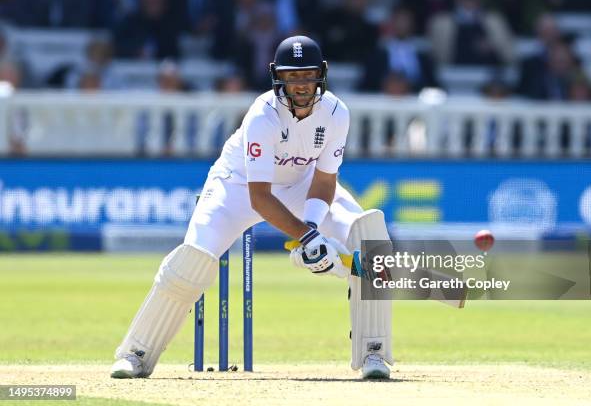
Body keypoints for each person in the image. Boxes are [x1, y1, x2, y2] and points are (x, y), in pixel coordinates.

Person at [110, 35, 393, 380]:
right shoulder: (263, 115)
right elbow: (259, 198)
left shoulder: (336, 113)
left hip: (300, 185)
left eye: (307, 75)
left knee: (370, 239)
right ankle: (135, 354)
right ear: (277, 77)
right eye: (292, 77)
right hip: (237, 187)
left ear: (321, 74)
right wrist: (307, 238)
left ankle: (373, 354)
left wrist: (313, 231)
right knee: (192, 260)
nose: (301, 85)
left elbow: (323, 181)